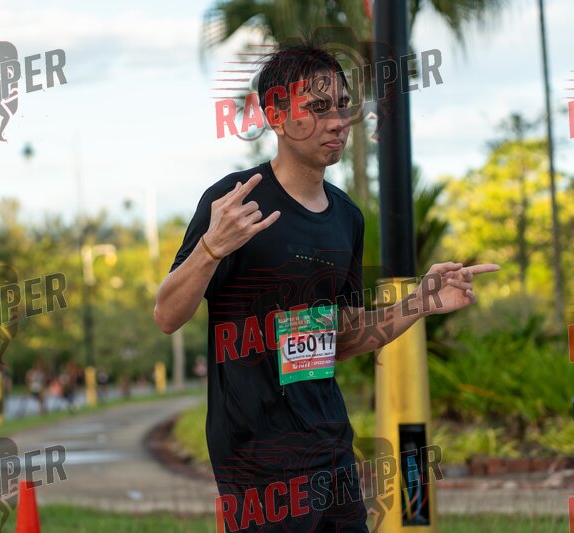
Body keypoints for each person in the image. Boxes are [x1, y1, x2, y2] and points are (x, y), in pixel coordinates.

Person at [154, 37, 499, 532]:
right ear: (276, 115)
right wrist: (211, 248)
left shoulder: (346, 218)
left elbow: (342, 338)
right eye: (317, 108)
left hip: (331, 446)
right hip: (258, 457)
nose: (337, 121)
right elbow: (167, 315)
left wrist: (420, 302)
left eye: (341, 105)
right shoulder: (234, 202)